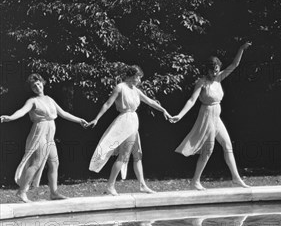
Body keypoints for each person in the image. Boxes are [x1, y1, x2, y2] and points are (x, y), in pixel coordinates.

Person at [171, 42, 252, 190]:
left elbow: (234, 65)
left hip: (216, 117)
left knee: (228, 146)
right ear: (207, 70)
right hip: (206, 117)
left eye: (217, 70)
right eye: (212, 71)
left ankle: (236, 178)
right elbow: (192, 100)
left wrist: (240, 49)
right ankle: (195, 181)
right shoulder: (202, 82)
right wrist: (180, 115)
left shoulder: (219, 78)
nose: (215, 73)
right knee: (208, 151)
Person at [0, 73, 88, 203]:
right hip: (39, 132)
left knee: (54, 163)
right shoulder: (32, 101)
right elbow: (22, 111)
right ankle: (22, 191)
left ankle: (54, 192)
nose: (37, 86)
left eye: (38, 83)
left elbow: (63, 113)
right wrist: (10, 117)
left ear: (42, 83)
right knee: (36, 163)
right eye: (34, 85)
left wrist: (79, 120)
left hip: (50, 134)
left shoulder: (49, 99)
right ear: (32, 88)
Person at [88, 65, 172, 196]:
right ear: (131, 76)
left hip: (133, 121)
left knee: (137, 154)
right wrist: (97, 118)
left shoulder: (135, 90)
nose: (139, 79)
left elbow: (150, 101)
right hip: (125, 122)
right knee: (124, 155)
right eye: (138, 76)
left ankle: (142, 185)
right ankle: (110, 186)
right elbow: (108, 103)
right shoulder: (120, 87)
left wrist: (164, 110)